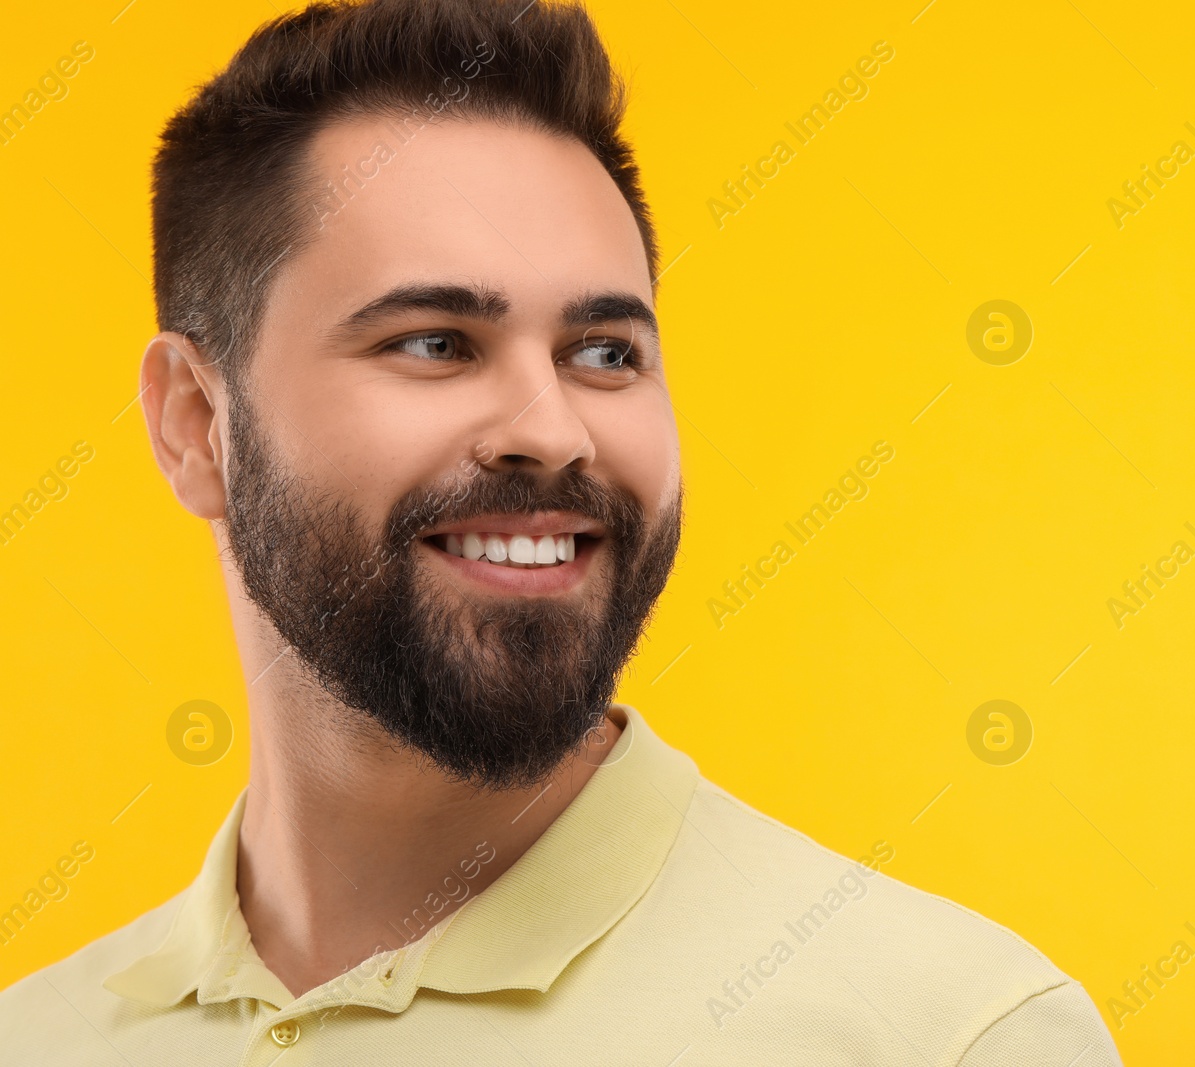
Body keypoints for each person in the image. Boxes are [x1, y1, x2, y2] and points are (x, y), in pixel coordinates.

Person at [0, 1, 1122, 1062]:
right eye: (435, 341)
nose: (554, 430)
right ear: (197, 424)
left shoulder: (950, 1034)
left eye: (604, 352)